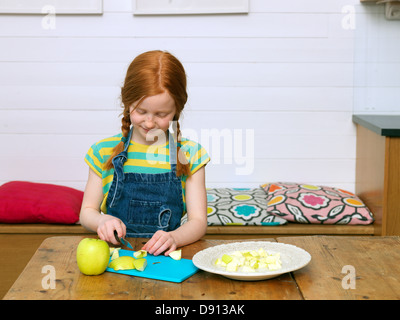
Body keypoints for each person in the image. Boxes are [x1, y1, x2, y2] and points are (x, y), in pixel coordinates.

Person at [80, 50, 210, 256]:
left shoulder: (190, 154)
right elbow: (87, 212)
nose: (149, 123)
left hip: (167, 260)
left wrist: (175, 237)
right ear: (127, 102)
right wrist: (101, 220)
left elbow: (198, 222)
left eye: (161, 114)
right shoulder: (102, 151)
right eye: (141, 111)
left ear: (177, 110)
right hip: (116, 260)